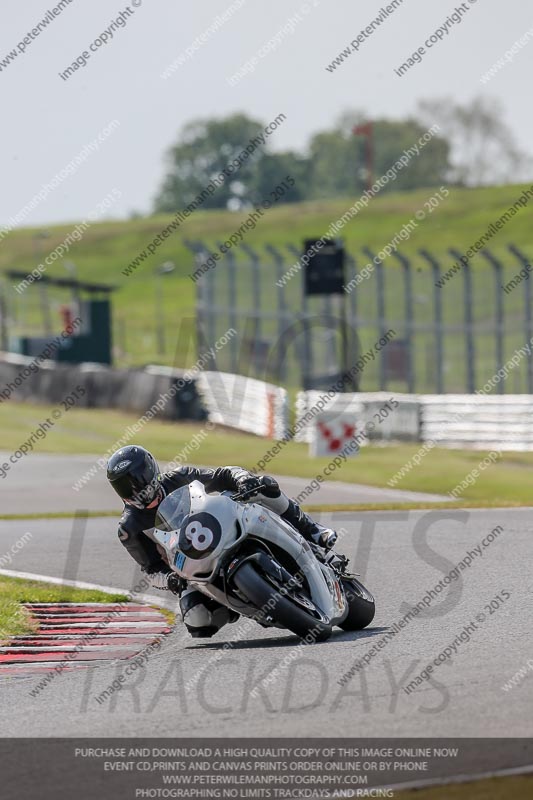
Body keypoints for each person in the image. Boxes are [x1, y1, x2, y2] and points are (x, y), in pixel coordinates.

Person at [106, 445, 337, 638]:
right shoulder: (129, 528)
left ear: (151, 469)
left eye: (138, 477)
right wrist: (170, 580)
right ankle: (236, 603)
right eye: (125, 485)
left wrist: (243, 479)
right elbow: (150, 568)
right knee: (197, 622)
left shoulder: (179, 476)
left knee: (264, 485)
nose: (135, 487)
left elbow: (222, 475)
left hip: (223, 529)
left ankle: (312, 530)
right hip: (191, 572)